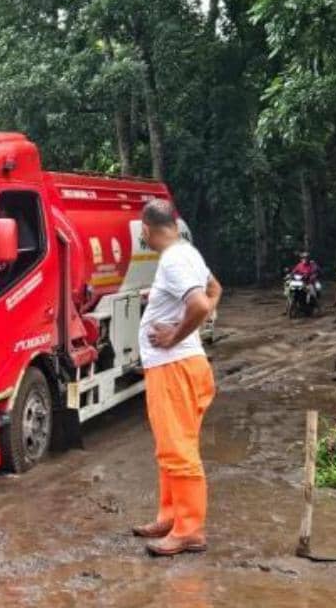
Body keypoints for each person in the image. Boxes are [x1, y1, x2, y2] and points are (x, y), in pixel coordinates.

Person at [132, 199, 222, 557]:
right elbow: (215, 290)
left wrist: (175, 335)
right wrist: (159, 300)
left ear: (147, 228)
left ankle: (189, 530)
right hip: (181, 368)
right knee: (170, 447)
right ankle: (170, 517)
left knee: (179, 451)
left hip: (175, 368)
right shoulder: (189, 253)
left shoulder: (172, 259)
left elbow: (200, 303)